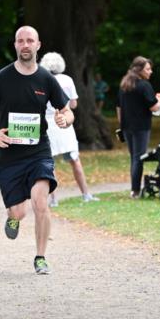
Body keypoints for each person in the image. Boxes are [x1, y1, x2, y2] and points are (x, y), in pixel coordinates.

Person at [0, 26, 74, 275]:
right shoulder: (2, 77)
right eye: (21, 41)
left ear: (38, 45)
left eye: (30, 40)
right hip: (10, 154)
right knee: (19, 211)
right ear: (16, 46)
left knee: (41, 201)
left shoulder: (46, 79)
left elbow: (66, 109)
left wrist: (66, 119)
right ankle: (13, 216)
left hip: (38, 151)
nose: (25, 45)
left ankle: (40, 257)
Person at [39, 51, 99, 207]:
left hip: (48, 124)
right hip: (65, 123)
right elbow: (73, 104)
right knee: (75, 160)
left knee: (49, 163)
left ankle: (53, 199)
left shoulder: (42, 80)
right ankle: (86, 194)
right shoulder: (67, 79)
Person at [117, 56, 160, 198]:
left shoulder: (124, 85)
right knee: (139, 158)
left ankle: (134, 188)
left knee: (134, 157)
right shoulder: (144, 86)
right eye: (148, 69)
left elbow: (118, 107)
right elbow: (154, 107)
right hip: (141, 127)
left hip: (127, 127)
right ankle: (135, 190)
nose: (150, 72)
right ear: (139, 70)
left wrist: (121, 125)